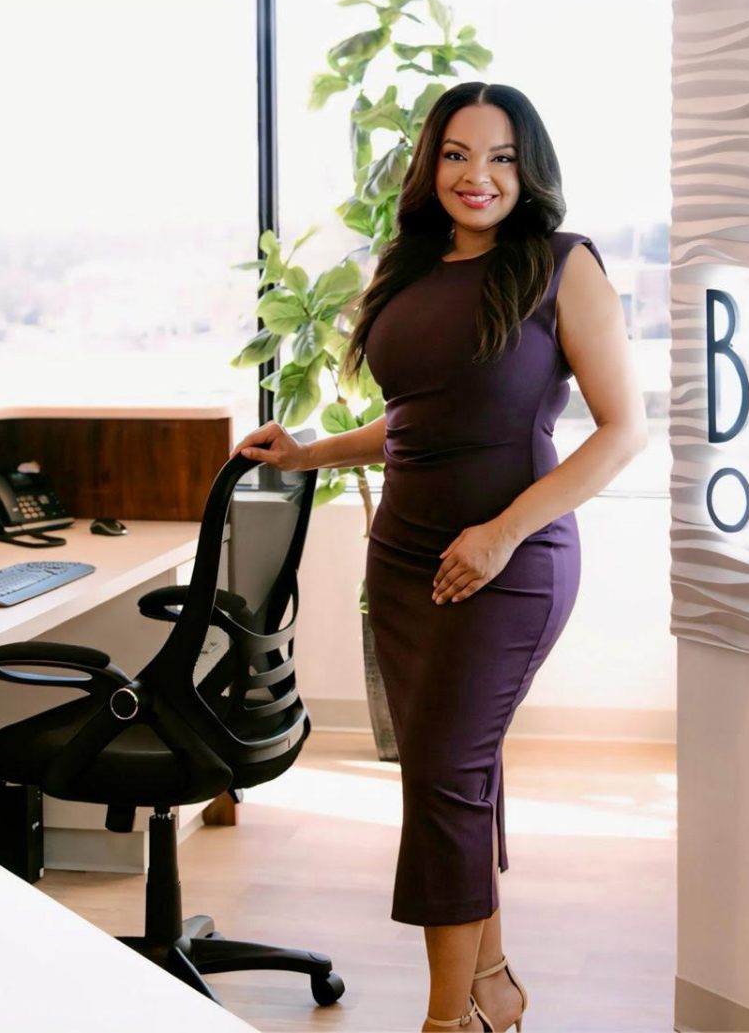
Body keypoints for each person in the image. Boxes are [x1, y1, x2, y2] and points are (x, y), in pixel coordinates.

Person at [234, 80, 645, 1031]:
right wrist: (310, 451)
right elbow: (415, 425)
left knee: (448, 773)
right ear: (432, 163)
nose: (479, 175)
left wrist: (502, 533)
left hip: (510, 559)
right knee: (448, 772)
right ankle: (491, 982)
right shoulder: (409, 266)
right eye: (460, 153)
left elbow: (622, 431)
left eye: (502, 157)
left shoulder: (558, 264)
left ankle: (444, 1020)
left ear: (528, 169)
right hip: (406, 556)